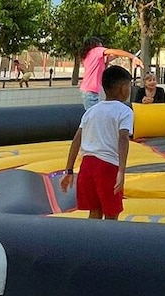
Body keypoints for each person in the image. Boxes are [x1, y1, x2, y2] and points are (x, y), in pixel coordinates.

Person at [60, 65, 134, 220]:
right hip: (107, 167)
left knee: (94, 212)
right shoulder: (124, 111)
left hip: (87, 166)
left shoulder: (91, 111)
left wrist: (69, 170)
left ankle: (91, 236)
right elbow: (123, 139)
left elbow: (76, 140)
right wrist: (121, 171)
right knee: (111, 214)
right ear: (123, 88)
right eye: (129, 86)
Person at [78, 37, 143, 110]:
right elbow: (113, 51)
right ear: (96, 44)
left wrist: (117, 56)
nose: (102, 46)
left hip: (90, 90)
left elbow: (105, 65)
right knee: (95, 114)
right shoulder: (96, 50)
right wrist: (132, 56)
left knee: (95, 113)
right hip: (91, 91)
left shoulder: (90, 56)